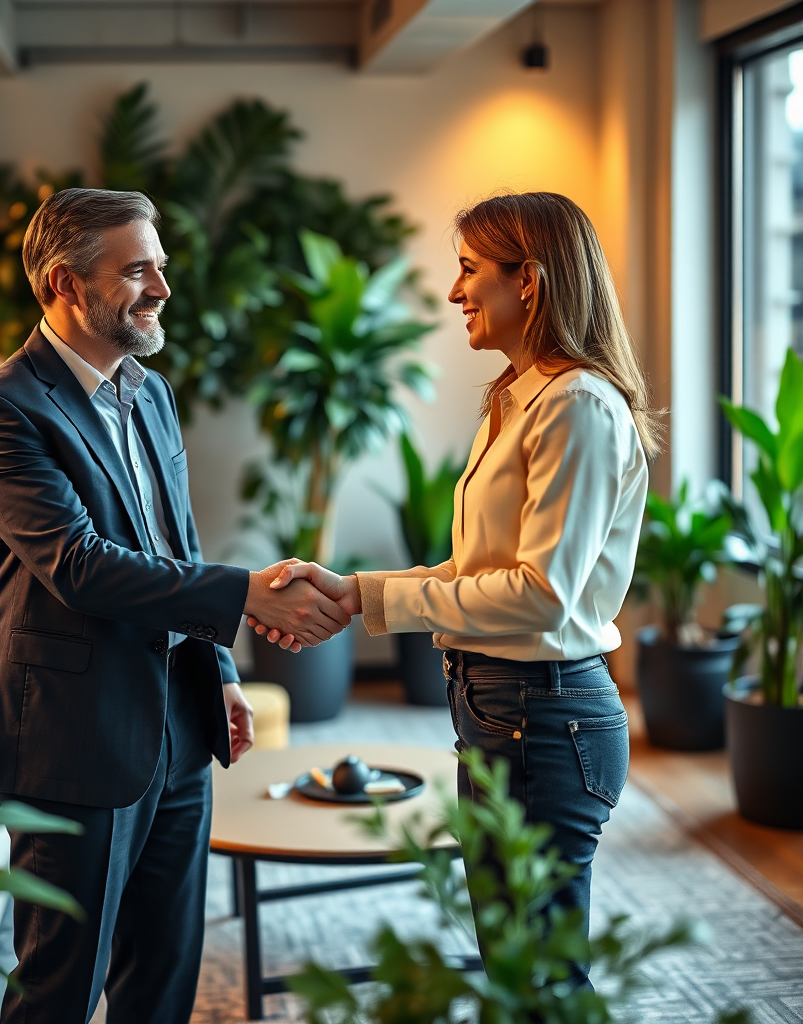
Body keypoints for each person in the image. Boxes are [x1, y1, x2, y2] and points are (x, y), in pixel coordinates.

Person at [0, 187, 350, 1024]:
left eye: (160, 267)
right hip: (72, 736)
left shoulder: (152, 393)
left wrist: (221, 671)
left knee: (164, 977)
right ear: (64, 282)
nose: (162, 289)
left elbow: (176, 546)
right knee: (61, 986)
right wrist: (247, 592)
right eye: (137, 271)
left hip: (179, 725)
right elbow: (81, 567)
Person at [250, 192, 657, 987]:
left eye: (470, 270)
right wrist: (354, 592)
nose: (453, 292)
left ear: (529, 281)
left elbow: (540, 595)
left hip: (544, 715)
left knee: (539, 975)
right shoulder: (515, 398)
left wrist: (378, 604)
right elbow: (477, 568)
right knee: (513, 964)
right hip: (502, 706)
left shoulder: (575, 405)